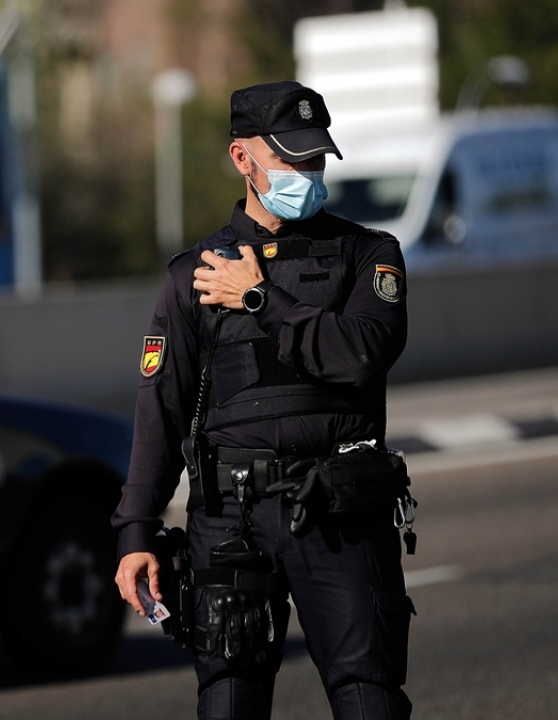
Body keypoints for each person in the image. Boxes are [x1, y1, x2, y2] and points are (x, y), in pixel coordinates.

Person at [111, 80, 415, 720]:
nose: (308, 171)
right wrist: (135, 531)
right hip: (231, 521)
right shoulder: (194, 274)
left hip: (338, 513)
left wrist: (260, 299)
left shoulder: (368, 254)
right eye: (290, 157)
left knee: (370, 700)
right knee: (228, 703)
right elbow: (160, 409)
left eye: (316, 157)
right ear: (241, 157)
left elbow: (361, 353)